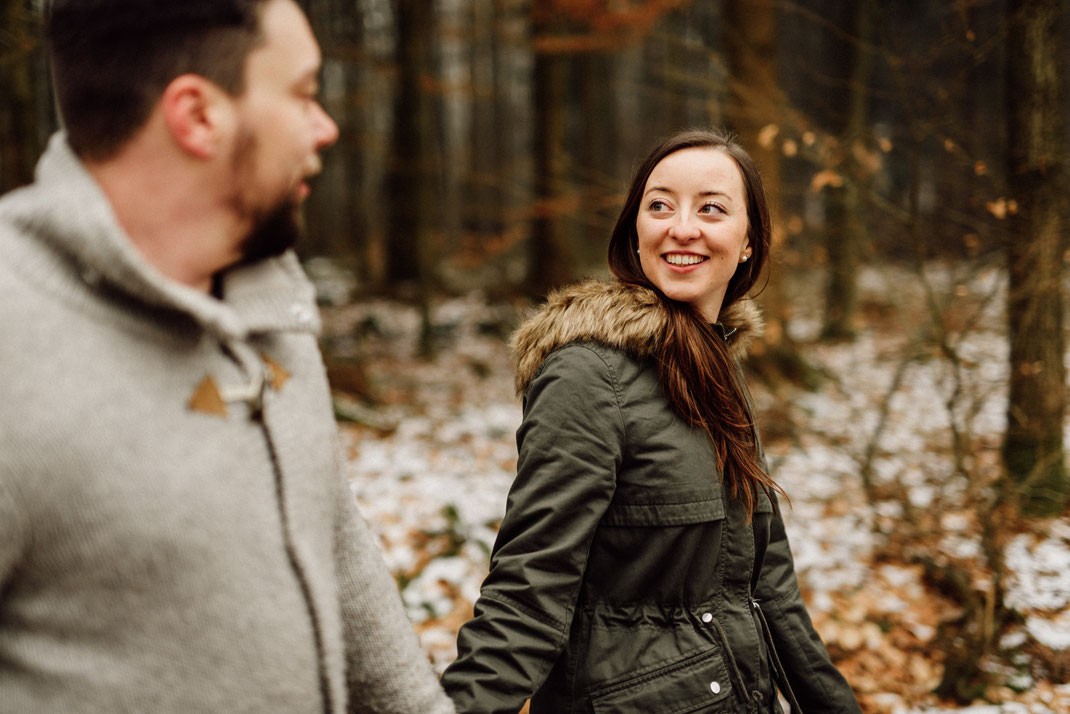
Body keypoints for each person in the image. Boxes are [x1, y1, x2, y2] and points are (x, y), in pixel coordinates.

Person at [0, 1, 455, 712]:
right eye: (304, 94)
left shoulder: (271, 299)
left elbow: (335, 547)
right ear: (198, 116)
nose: (326, 126)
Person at [441, 129, 862, 713]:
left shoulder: (716, 365)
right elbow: (528, 592)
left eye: (711, 208)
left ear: (748, 243)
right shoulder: (587, 376)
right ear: (634, 235)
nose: (681, 227)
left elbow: (770, 590)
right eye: (659, 205)